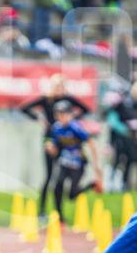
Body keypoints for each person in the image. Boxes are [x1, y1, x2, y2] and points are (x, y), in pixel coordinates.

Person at [20, 74, 91, 215]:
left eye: (61, 86)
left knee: (61, 180)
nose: (59, 89)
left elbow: (86, 109)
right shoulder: (47, 99)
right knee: (49, 176)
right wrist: (39, 118)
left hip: (66, 144)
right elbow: (25, 108)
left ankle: (59, 212)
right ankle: (42, 210)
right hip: (50, 139)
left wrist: (72, 119)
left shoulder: (68, 100)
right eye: (56, 86)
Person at [47, 100, 102, 221]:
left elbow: (91, 143)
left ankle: (91, 185)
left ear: (70, 115)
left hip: (78, 164)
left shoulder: (75, 128)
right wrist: (51, 148)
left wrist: (96, 165)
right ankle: (59, 216)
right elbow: (55, 146)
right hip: (64, 162)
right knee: (57, 186)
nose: (61, 117)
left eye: (64, 114)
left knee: (72, 195)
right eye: (58, 114)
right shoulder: (56, 128)